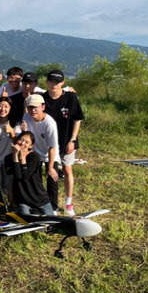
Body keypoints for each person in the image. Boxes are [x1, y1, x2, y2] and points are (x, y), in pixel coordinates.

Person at [42, 69, 85, 216]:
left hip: (67, 140)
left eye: (57, 82)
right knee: (51, 171)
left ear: (63, 83)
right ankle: (51, 204)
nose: (54, 84)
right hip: (50, 142)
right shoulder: (43, 98)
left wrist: (72, 139)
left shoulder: (71, 97)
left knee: (67, 170)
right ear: (47, 82)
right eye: (51, 81)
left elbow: (77, 118)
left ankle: (68, 203)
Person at [21, 94, 61, 214]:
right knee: (34, 179)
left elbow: (52, 147)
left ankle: (54, 208)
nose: (33, 110)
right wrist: (23, 131)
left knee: (52, 178)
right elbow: (26, 138)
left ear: (43, 107)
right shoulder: (26, 116)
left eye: (36, 107)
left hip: (50, 153)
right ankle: (35, 204)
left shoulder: (49, 123)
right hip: (34, 152)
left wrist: (50, 167)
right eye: (30, 107)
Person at [4, 131, 54, 215]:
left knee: (51, 223)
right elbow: (18, 176)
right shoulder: (8, 158)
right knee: (26, 225)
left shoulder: (34, 157)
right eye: (21, 140)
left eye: (27, 142)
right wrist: (15, 156)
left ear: (31, 146)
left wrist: (23, 160)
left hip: (39, 197)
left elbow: (24, 176)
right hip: (23, 199)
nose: (22, 143)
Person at [0, 97, 20, 204]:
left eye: (6, 107)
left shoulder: (15, 124)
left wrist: (12, 133)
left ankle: (12, 208)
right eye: (0, 106)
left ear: (10, 109)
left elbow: (18, 145)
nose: (3, 109)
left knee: (10, 187)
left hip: (10, 162)